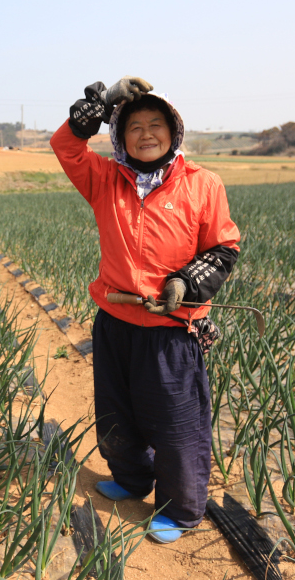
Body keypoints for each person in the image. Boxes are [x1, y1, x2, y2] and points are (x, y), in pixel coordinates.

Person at [50, 76, 240, 543]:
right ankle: (132, 479)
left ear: (174, 130)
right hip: (115, 321)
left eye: (157, 124)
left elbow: (223, 248)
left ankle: (180, 509)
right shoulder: (105, 179)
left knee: (176, 424)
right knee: (117, 413)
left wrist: (186, 281)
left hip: (171, 328)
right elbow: (66, 147)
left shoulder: (201, 184)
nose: (146, 134)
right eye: (134, 126)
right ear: (120, 136)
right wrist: (101, 105)